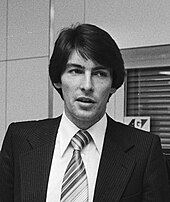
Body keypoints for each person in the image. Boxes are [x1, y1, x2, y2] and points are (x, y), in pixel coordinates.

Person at [0, 23, 170, 202]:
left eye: (99, 74)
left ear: (113, 84)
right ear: (58, 79)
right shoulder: (19, 140)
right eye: (76, 71)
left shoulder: (144, 150)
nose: (87, 86)